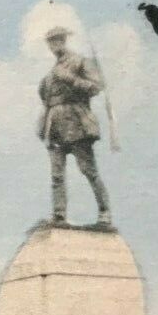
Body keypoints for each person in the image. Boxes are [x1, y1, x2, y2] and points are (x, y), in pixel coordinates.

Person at [37, 25, 112, 227]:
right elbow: (45, 98)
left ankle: (104, 212)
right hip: (54, 127)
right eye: (51, 42)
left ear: (64, 40)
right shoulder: (50, 74)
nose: (54, 45)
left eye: (57, 40)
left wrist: (70, 78)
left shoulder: (79, 62)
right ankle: (59, 215)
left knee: (88, 170)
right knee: (56, 176)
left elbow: (96, 86)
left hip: (76, 123)